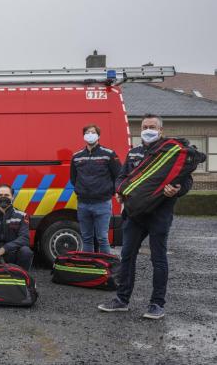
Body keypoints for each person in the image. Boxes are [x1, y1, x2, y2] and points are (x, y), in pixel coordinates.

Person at [98, 114, 193, 320]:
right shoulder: (134, 153)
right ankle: (122, 300)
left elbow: (186, 182)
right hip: (134, 215)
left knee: (158, 259)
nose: (147, 129)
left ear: (160, 131)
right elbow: (121, 177)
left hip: (160, 215)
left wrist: (176, 190)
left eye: (152, 126)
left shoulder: (171, 153)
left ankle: (157, 304)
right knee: (127, 256)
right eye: (144, 126)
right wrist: (120, 189)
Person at [70, 124, 121, 254]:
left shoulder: (108, 154)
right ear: (83, 136)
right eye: (87, 132)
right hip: (83, 203)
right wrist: (80, 191)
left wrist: (112, 192)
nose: (90, 134)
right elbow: (73, 178)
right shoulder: (77, 156)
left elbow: (118, 175)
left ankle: (107, 268)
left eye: (93, 132)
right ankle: (90, 268)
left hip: (102, 203)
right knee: (86, 239)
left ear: (98, 135)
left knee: (102, 238)